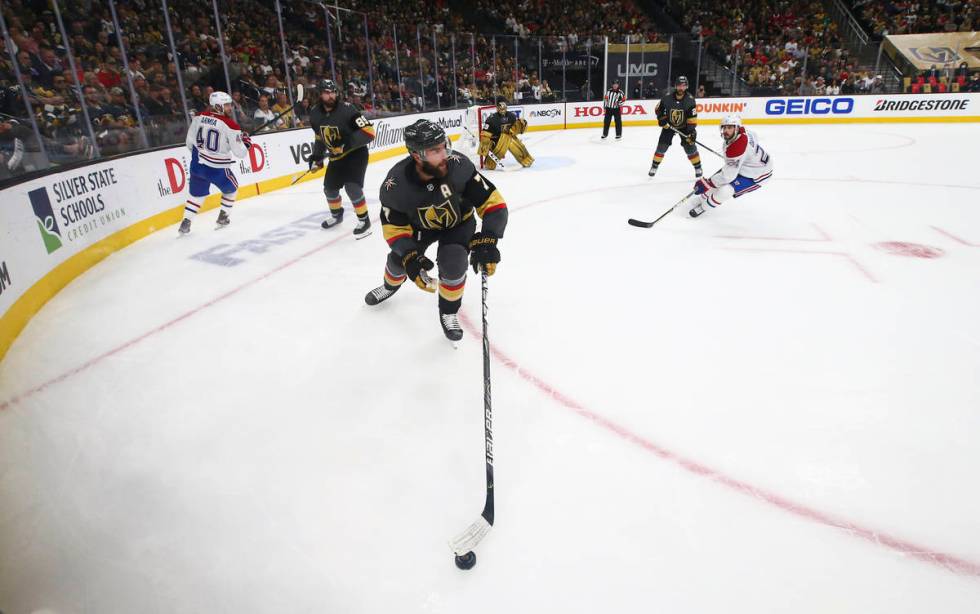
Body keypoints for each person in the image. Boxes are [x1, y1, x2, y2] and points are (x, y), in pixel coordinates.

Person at [364, 119, 508, 342]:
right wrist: (409, 254)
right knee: (397, 261)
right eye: (435, 150)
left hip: (459, 224)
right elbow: (394, 227)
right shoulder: (396, 185)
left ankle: (448, 311)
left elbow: (494, 203)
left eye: (444, 145)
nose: (444, 154)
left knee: (454, 263)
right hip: (420, 228)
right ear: (416, 155)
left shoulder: (459, 166)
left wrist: (489, 237)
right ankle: (389, 286)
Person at [307, 78, 376, 237]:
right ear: (320, 94)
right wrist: (317, 156)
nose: (331, 96)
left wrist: (345, 144)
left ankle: (364, 220)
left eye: (333, 92)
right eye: (326, 93)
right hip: (336, 157)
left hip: (355, 153)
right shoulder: (315, 113)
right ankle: (337, 215)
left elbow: (369, 132)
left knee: (352, 187)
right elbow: (320, 137)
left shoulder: (348, 110)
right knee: (329, 189)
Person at [178, 91, 251, 234]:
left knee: (196, 195)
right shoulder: (230, 125)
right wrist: (246, 143)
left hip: (197, 165)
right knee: (232, 190)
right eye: (227, 105)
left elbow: (189, 143)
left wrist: (205, 151)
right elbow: (240, 153)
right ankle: (223, 217)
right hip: (217, 169)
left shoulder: (198, 117)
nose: (230, 108)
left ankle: (186, 223)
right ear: (217, 106)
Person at [684, 114, 773, 218]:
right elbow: (754, 136)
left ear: (736, 128)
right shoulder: (744, 132)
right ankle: (702, 198)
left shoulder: (736, 149)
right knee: (719, 180)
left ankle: (703, 207)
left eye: (729, 127)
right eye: (724, 127)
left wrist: (707, 183)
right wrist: (744, 158)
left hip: (758, 174)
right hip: (747, 165)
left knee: (726, 190)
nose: (726, 130)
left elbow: (727, 176)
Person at [649, 75, 702, 178]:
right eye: (679, 85)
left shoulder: (690, 100)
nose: (681, 88)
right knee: (661, 147)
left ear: (687, 87)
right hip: (669, 126)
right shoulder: (667, 97)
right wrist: (662, 119)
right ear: (675, 86)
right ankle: (654, 166)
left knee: (690, 148)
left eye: (683, 85)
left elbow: (692, 118)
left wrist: (691, 132)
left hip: (684, 126)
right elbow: (658, 109)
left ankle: (698, 167)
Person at [478, 99, 533, 170]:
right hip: (496, 140)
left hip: (508, 137)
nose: (503, 111)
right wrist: (485, 146)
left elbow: (516, 127)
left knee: (517, 145)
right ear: (497, 109)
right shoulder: (491, 119)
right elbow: (485, 133)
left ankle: (525, 158)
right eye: (501, 109)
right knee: (490, 166)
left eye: (504, 109)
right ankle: (489, 162)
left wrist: (521, 125)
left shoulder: (511, 116)